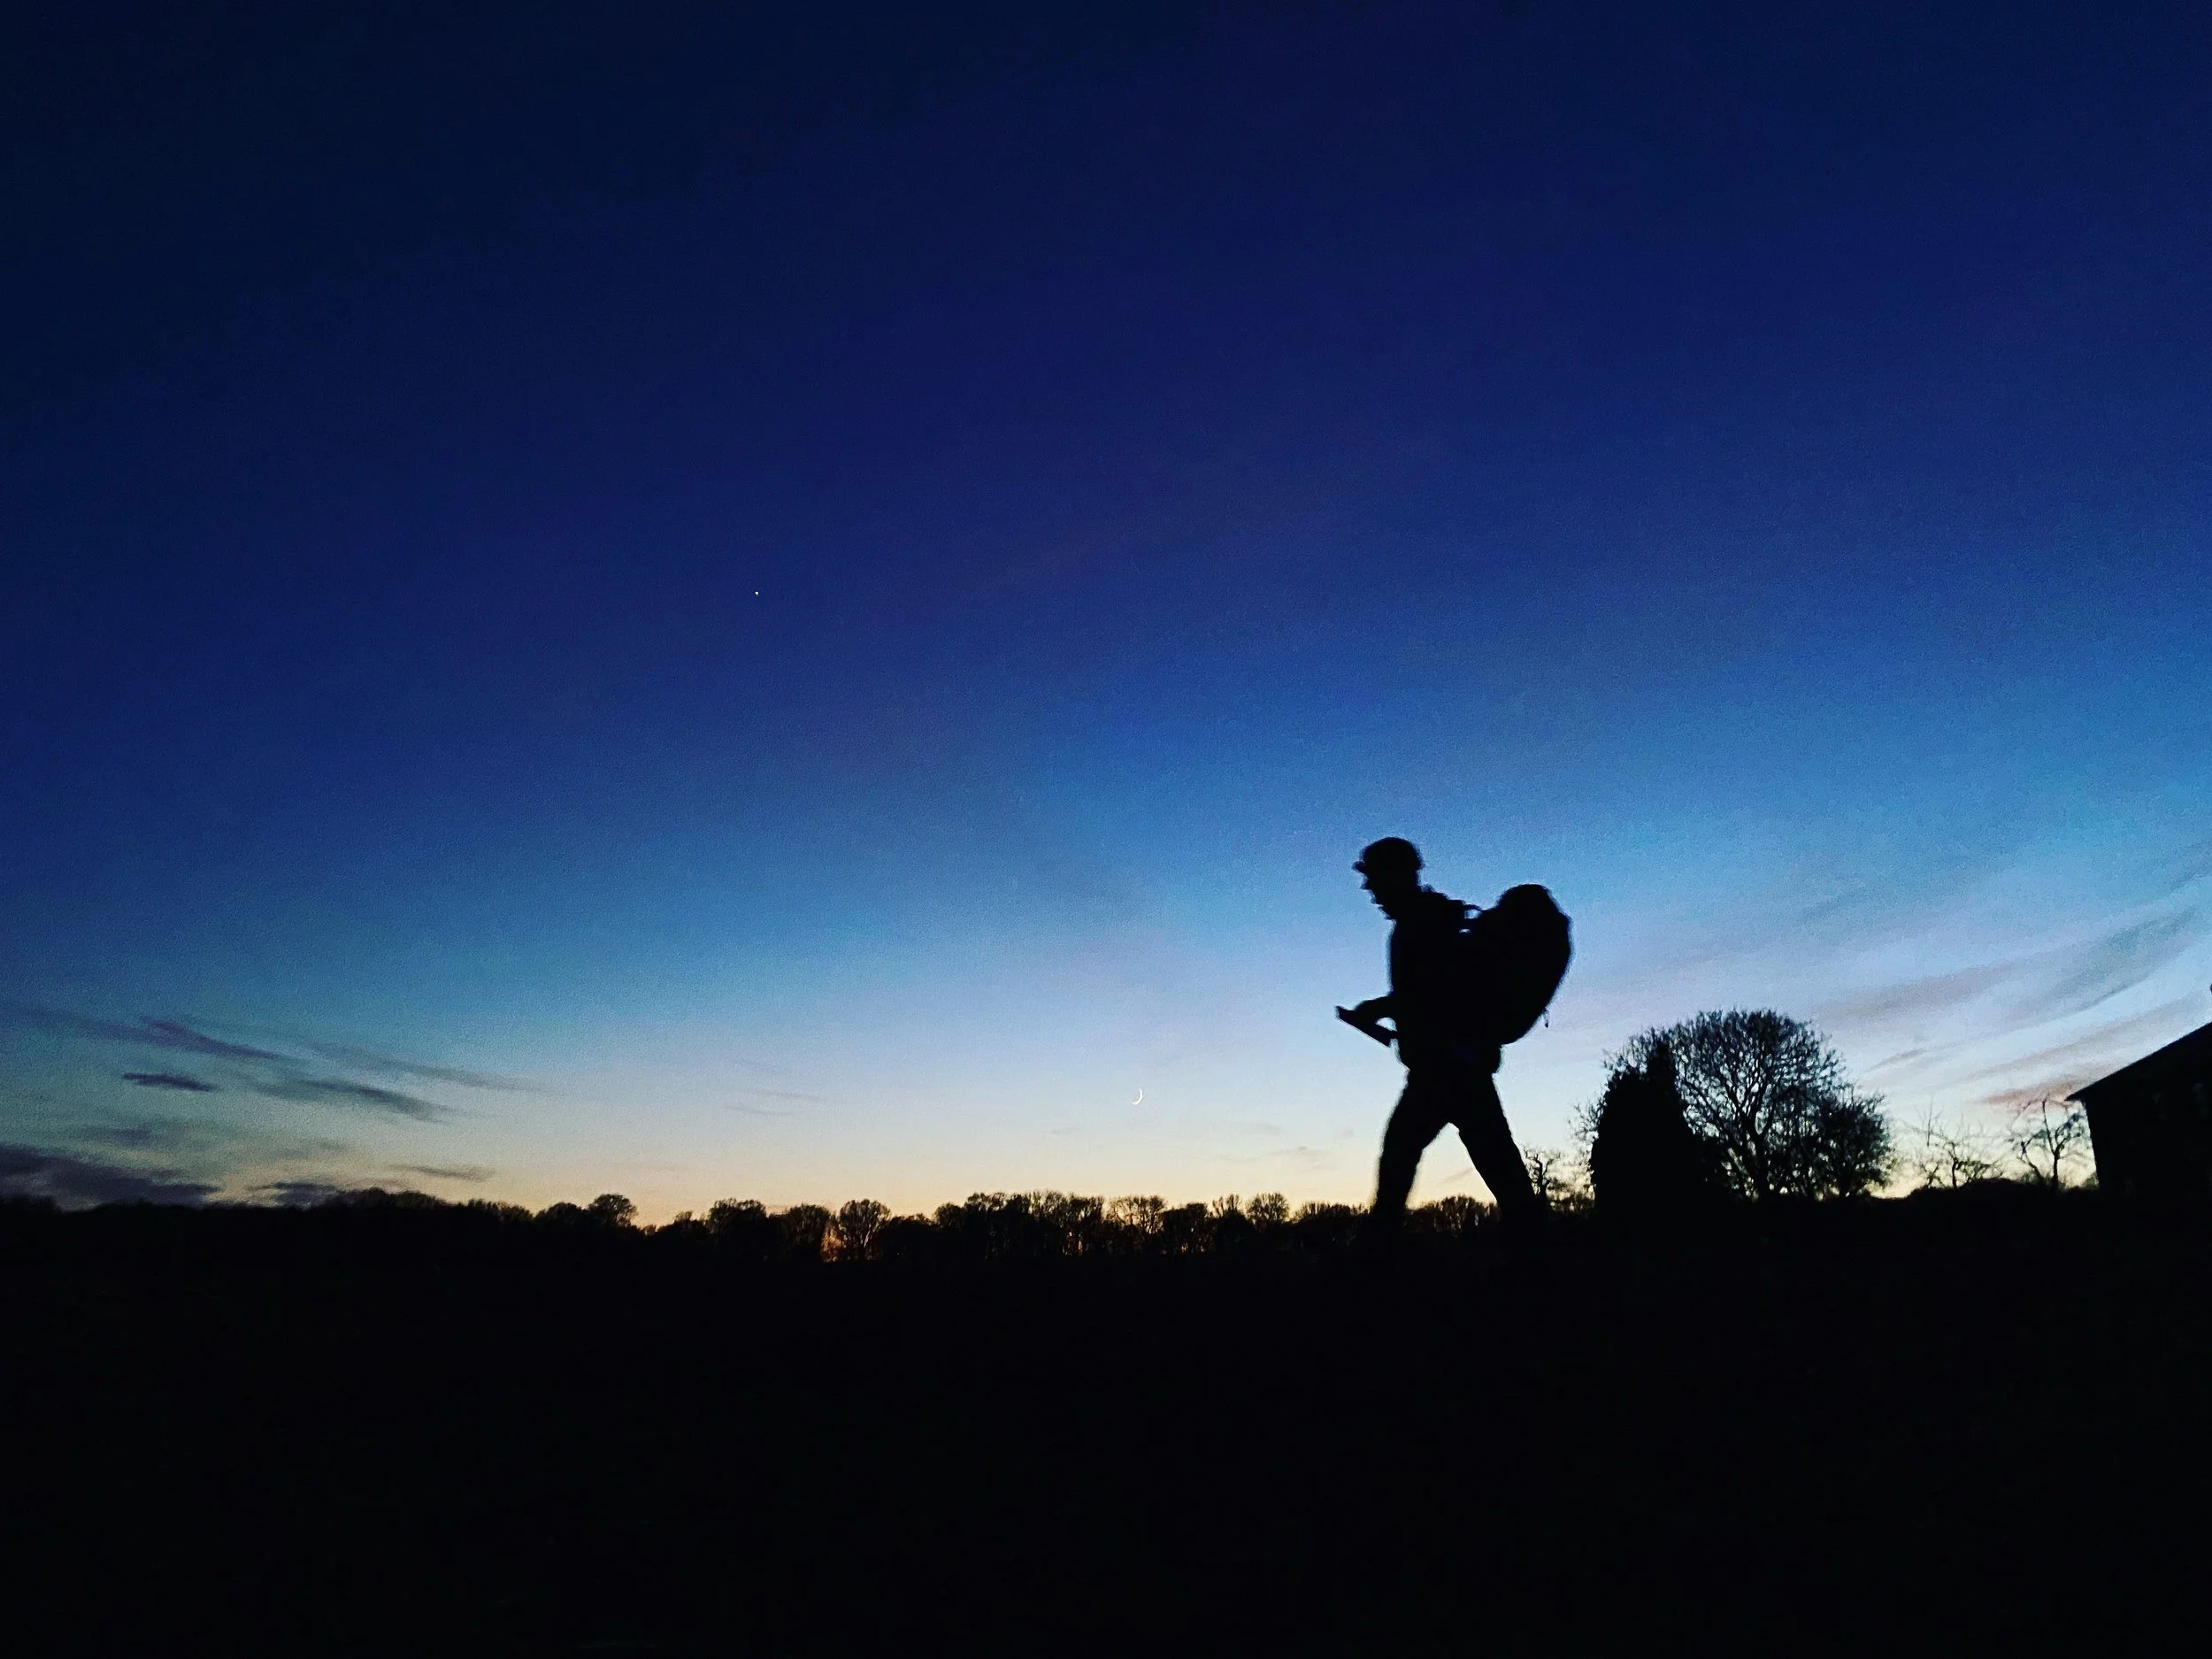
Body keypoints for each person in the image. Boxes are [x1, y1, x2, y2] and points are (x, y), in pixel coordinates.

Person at [1339, 836, 1545, 1238]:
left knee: (1403, 1153)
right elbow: (1429, 993)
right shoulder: (1427, 921)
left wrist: (1379, 1009)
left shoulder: (1423, 924)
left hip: (1447, 1068)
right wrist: (1384, 1009)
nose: (1370, 890)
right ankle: (1535, 1241)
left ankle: (1378, 1249)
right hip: (1456, 1066)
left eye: (1374, 879)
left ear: (1397, 875)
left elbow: (1433, 993)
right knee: (1492, 1159)